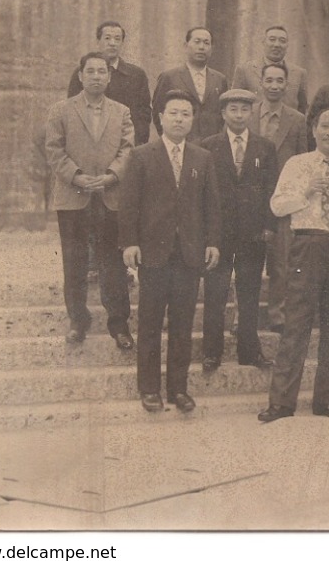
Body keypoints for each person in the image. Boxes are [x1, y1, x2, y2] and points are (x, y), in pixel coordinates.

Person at [257, 110, 329, 423]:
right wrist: (306, 191)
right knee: (296, 324)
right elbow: (277, 205)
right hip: (307, 246)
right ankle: (282, 402)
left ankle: (326, 400)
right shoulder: (297, 164)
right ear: (314, 129)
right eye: (325, 126)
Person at [119, 90, 222, 412]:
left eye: (186, 114)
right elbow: (129, 205)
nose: (180, 119)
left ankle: (178, 388)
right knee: (150, 323)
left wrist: (212, 242)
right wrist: (130, 243)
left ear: (193, 119)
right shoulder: (140, 155)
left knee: (182, 323)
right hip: (153, 252)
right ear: (160, 117)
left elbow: (212, 206)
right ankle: (149, 388)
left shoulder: (202, 157)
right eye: (174, 113)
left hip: (189, 254)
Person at [44, 51, 135, 348]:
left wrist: (111, 175)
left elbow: (127, 149)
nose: (97, 76)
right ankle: (77, 322)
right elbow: (54, 150)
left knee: (113, 263)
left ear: (109, 78)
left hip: (110, 196)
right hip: (74, 197)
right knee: (75, 262)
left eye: (102, 72)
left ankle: (119, 325)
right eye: (91, 71)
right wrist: (77, 176)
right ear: (80, 76)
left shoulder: (122, 111)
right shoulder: (60, 110)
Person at [200, 88, 278, 372]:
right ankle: (211, 352)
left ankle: (249, 350)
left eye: (245, 109)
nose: (239, 115)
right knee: (215, 292)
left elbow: (272, 189)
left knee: (249, 293)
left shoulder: (264, 147)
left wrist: (269, 225)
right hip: (218, 235)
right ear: (223, 113)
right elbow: (202, 193)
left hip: (252, 233)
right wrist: (207, 234)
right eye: (233, 109)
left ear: (251, 113)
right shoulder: (208, 146)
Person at [248, 62, 310, 333]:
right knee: (248, 260)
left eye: (279, 81)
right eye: (269, 80)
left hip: (284, 198)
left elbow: (303, 159)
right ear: (261, 83)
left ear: (287, 86)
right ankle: (243, 315)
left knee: (282, 260)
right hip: (250, 197)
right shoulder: (246, 115)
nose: (274, 86)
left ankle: (278, 314)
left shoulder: (297, 119)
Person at [67, 21, 152, 146]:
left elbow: (143, 114)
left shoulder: (136, 75)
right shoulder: (83, 72)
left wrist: (137, 143)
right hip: (91, 144)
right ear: (98, 41)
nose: (112, 43)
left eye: (117, 39)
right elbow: (73, 108)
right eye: (107, 38)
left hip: (126, 144)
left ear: (122, 43)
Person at [152, 27, 228, 142]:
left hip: (212, 147)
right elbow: (158, 113)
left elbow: (223, 115)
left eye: (206, 43)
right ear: (186, 46)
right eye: (197, 42)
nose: (201, 47)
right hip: (181, 144)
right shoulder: (169, 77)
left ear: (211, 49)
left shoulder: (220, 79)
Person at [231, 24, 309, 114]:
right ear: (263, 43)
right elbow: (234, 104)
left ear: (287, 45)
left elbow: (302, 109)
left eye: (282, 41)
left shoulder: (299, 73)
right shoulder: (244, 70)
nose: (276, 45)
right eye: (272, 40)